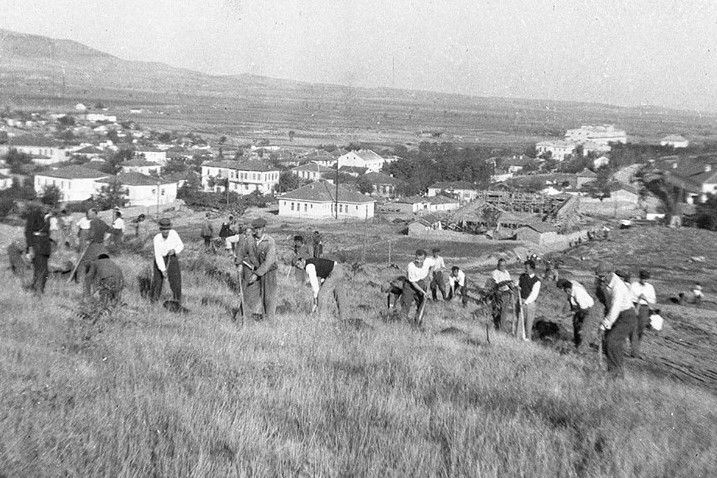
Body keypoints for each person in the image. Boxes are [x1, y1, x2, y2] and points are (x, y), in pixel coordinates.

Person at [596, 262, 638, 379]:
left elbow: (615, 308)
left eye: (602, 276)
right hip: (616, 315)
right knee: (610, 342)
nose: (600, 279)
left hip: (626, 316)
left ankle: (614, 371)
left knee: (612, 341)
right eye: (598, 276)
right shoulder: (604, 282)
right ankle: (617, 372)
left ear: (610, 274)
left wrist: (604, 325)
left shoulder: (618, 287)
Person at [237, 217, 277, 320]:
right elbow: (242, 251)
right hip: (256, 269)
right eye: (256, 229)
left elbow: (268, 262)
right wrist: (239, 263)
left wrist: (257, 274)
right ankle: (242, 318)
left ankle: (269, 321)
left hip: (269, 272)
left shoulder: (270, 241)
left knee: (268, 297)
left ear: (264, 228)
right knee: (249, 294)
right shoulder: (250, 239)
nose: (257, 231)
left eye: (260, 228)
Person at [557, 278, 596, 353]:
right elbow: (569, 302)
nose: (562, 291)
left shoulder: (578, 293)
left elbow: (582, 310)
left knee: (583, 328)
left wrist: (566, 315)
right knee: (575, 324)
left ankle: (583, 350)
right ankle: (577, 344)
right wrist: (562, 313)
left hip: (588, 309)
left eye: (562, 289)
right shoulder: (569, 287)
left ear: (566, 288)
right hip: (580, 307)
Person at [151, 218, 184, 303]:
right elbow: (158, 255)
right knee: (157, 281)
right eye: (163, 230)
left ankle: (177, 301)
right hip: (160, 260)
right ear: (160, 230)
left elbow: (181, 245)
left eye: (167, 229)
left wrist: (175, 250)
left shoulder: (174, 233)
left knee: (176, 281)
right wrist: (163, 270)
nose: (166, 231)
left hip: (172, 258)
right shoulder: (156, 239)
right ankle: (154, 302)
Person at [74, 208, 110, 283]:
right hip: (101, 246)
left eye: (89, 213)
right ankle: (96, 280)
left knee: (84, 261)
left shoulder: (93, 222)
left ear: (94, 214)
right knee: (98, 263)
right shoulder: (102, 222)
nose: (88, 215)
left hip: (93, 245)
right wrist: (105, 239)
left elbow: (92, 234)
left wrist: (88, 239)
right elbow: (109, 231)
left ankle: (79, 280)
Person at [24, 203, 52, 295]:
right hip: (36, 244)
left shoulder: (48, 217)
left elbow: (47, 233)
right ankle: (38, 291)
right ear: (42, 205)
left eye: (51, 206)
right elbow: (28, 232)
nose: (48, 208)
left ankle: (38, 289)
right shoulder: (34, 214)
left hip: (45, 246)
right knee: (40, 269)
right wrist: (31, 247)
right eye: (47, 205)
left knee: (44, 270)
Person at [401, 249, 433, 327]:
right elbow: (413, 283)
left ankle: (417, 323)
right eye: (417, 259)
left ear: (424, 259)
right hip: (410, 285)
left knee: (422, 304)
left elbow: (433, 264)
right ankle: (402, 324)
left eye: (420, 259)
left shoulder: (428, 261)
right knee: (406, 304)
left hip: (421, 283)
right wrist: (424, 292)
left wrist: (431, 273)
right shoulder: (411, 266)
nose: (418, 261)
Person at [630, 270, 656, 359]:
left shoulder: (650, 287)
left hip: (644, 308)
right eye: (642, 278)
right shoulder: (634, 285)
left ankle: (636, 347)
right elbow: (629, 297)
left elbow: (653, 300)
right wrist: (637, 298)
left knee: (641, 328)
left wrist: (646, 298)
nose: (644, 280)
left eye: (645, 279)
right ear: (639, 277)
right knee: (633, 328)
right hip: (634, 306)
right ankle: (634, 351)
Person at [517, 260, 541, 341]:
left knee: (528, 324)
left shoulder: (537, 281)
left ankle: (528, 340)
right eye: (525, 268)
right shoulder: (522, 276)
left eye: (527, 268)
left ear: (532, 269)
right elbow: (518, 283)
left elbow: (534, 294)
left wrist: (526, 302)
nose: (525, 270)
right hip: (521, 301)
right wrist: (517, 286)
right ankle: (517, 339)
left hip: (530, 304)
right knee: (520, 322)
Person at [491, 258, 513, 332]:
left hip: (507, 294)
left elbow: (509, 282)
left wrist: (511, 287)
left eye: (504, 265)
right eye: (501, 265)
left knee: (504, 313)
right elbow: (497, 284)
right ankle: (497, 328)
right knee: (498, 312)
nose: (502, 267)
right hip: (499, 294)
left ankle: (501, 329)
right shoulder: (495, 273)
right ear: (498, 265)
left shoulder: (506, 272)